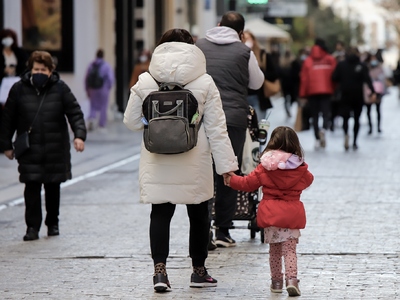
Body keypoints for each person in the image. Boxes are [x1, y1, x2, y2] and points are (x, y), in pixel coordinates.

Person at [123, 29, 238, 292]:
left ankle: (160, 273)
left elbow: (130, 122)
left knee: (160, 213)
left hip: (157, 158)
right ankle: (198, 271)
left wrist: (154, 125)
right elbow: (217, 130)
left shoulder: (145, 80)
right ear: (192, 50)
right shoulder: (205, 81)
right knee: (199, 214)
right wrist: (227, 167)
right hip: (195, 159)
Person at [0, 50, 86, 241]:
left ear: (50, 70)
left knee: (52, 188)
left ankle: (52, 223)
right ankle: (32, 228)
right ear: (30, 69)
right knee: (31, 189)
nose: (39, 72)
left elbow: (75, 113)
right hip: (29, 149)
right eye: (36, 69)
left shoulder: (61, 88)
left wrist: (79, 136)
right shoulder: (18, 89)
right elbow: (8, 119)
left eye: (43, 69)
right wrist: (6, 144)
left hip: (55, 148)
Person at [196, 11, 264, 247]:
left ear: (218, 25)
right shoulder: (245, 51)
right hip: (233, 118)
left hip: (202, 116)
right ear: (241, 32)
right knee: (228, 171)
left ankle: (202, 231)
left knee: (203, 170)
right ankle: (222, 231)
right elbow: (256, 83)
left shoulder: (199, 45)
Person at [224, 126, 314, 297]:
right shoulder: (300, 168)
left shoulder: (266, 166)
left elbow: (247, 184)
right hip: (292, 215)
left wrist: (230, 179)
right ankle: (292, 280)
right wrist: (301, 165)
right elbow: (309, 180)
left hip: (271, 214)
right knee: (290, 250)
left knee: (274, 251)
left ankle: (276, 281)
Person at [332, 47, 375, 150]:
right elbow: (368, 80)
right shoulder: (362, 65)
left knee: (345, 118)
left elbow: (334, 78)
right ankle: (355, 141)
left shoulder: (341, 65)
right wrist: (373, 91)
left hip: (345, 94)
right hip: (357, 95)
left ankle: (346, 134)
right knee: (357, 118)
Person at [299, 38, 336, 149]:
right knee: (325, 113)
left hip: (312, 92)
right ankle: (324, 129)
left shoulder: (308, 61)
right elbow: (335, 76)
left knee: (314, 116)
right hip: (327, 91)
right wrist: (333, 89)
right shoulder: (330, 59)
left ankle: (316, 138)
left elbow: (304, 79)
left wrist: (302, 95)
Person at [243, 30, 279, 119]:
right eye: (244, 38)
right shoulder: (240, 54)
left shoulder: (263, 54)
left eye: (248, 38)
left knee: (258, 126)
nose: (246, 41)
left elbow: (274, 74)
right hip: (244, 96)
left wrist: (259, 72)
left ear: (253, 40)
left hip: (259, 96)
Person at [0, 28, 28, 129]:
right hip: (3, 83)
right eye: (5, 37)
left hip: (16, 81)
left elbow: (25, 65)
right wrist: (4, 70)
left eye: (10, 37)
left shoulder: (19, 52)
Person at [84, 49, 114, 131]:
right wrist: (108, 87)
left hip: (92, 89)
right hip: (103, 88)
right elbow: (110, 79)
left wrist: (87, 89)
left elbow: (86, 78)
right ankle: (101, 125)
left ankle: (91, 120)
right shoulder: (106, 66)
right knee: (103, 107)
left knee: (92, 106)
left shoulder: (91, 65)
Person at [365, 52, 385, 134]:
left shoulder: (379, 67)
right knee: (368, 110)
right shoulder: (366, 68)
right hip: (369, 91)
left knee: (378, 109)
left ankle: (378, 127)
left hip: (378, 90)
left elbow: (383, 78)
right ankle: (370, 127)